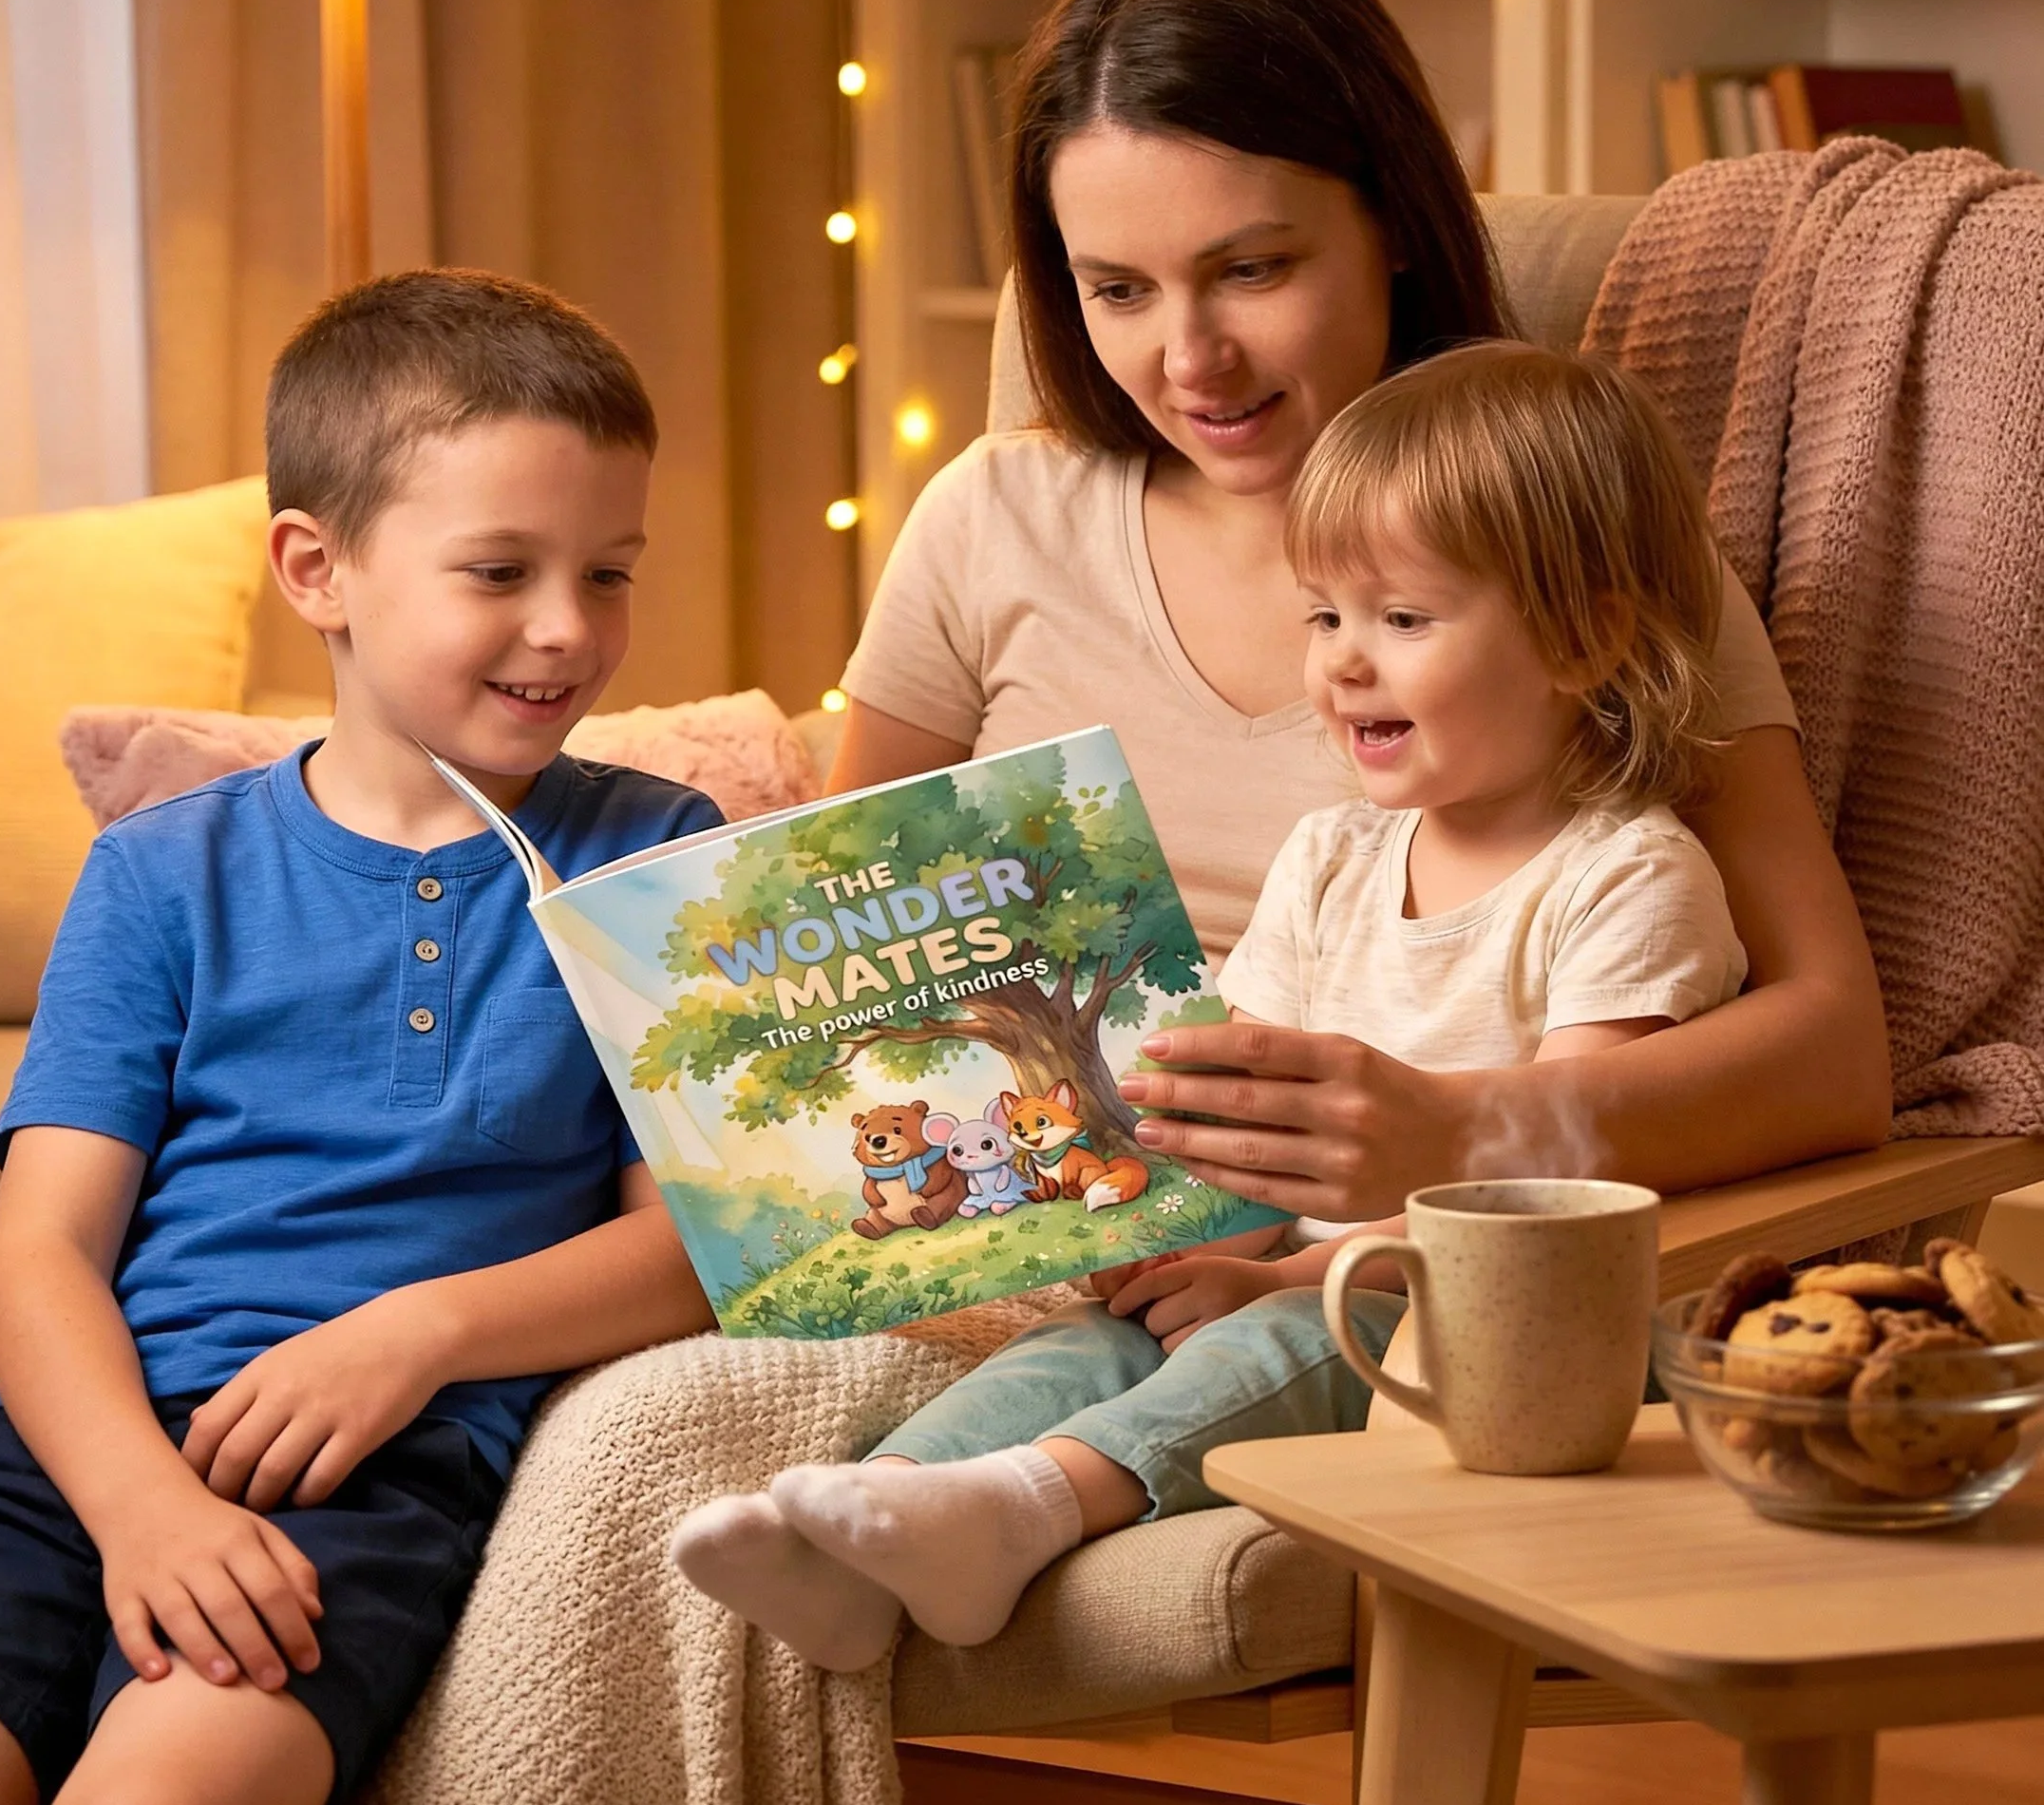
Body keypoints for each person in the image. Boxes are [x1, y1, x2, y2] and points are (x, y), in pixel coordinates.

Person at [0, 272, 722, 1805]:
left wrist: (423, 1332)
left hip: (363, 1469)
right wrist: (137, 1503)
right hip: (49, 1458)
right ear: (318, 566)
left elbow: (696, 1247)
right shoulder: (159, 871)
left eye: (608, 572)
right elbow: (34, 1259)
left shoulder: (658, 851)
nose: (565, 629)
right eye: (499, 569)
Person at [673, 341, 1746, 1665]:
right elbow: (1218, 1118)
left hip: (1519, 1337)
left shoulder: (1627, 877)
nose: (1346, 665)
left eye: (1403, 620)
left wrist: (1276, 1275)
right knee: (1097, 1340)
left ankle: (1028, 1506)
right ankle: (868, 1522)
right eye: (1326, 616)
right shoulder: (1331, 858)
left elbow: (1557, 1200)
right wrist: (1148, 1227)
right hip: (1312, 1272)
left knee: (1299, 1323)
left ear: (1585, 638)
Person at [825, 0, 1886, 1224]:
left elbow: (1836, 1055)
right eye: (1119, 290)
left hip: (1373, 1265)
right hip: (1007, 1228)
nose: (1189, 358)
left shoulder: (1566, 552)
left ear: (1390, 216)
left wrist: (1465, 1130)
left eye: (1251, 267)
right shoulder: (992, 517)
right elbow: (829, 966)